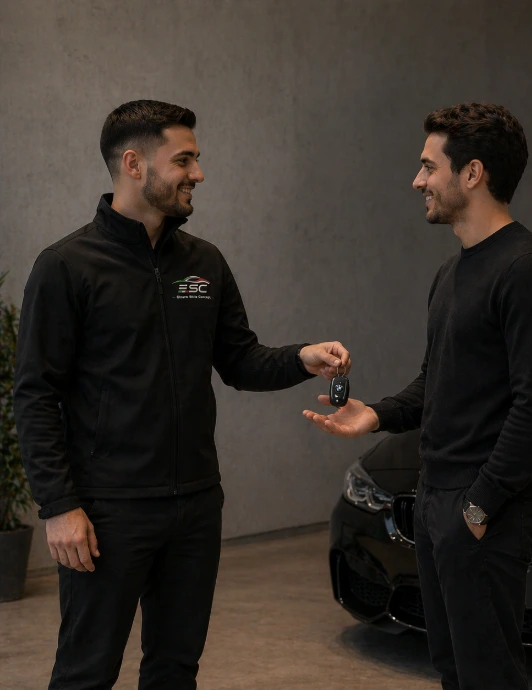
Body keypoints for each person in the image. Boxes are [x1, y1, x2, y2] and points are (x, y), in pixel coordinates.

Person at [13, 99, 351, 690]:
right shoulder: (66, 266)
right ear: (134, 164)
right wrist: (59, 506)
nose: (198, 173)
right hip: (108, 510)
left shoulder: (204, 262)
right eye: (184, 160)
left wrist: (302, 357)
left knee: (176, 670)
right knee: (86, 673)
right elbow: (36, 394)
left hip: (195, 505)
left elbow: (240, 360)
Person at [304, 102, 532, 689]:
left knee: (487, 674)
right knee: (452, 667)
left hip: (485, 508)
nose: (417, 180)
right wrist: (374, 415)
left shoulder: (527, 271)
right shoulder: (451, 274)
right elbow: (436, 381)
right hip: (436, 499)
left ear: (472, 173)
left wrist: (479, 506)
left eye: (429, 166)